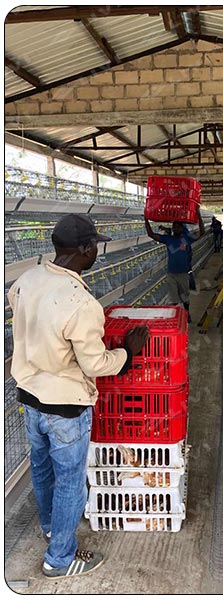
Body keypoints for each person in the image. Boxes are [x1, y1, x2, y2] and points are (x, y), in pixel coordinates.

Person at [8, 214, 149, 579]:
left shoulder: (26, 280)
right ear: (85, 249)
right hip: (65, 405)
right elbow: (95, 363)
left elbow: (25, 322)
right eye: (95, 247)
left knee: (42, 468)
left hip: (30, 396)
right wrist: (129, 354)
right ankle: (59, 559)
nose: (97, 253)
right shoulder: (80, 303)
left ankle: (53, 528)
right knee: (70, 479)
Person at [145, 206, 205, 322]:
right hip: (171, 273)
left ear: (182, 228)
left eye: (178, 226)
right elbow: (151, 234)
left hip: (183, 273)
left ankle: (187, 314)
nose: (175, 228)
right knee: (173, 299)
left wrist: (198, 213)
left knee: (185, 297)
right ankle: (175, 318)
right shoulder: (168, 239)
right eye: (174, 226)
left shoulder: (187, 239)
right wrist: (146, 220)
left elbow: (202, 232)